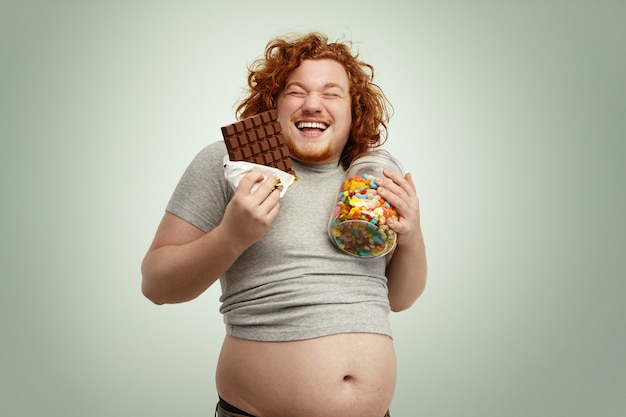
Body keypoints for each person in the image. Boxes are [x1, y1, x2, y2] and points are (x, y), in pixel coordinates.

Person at [141, 32, 427, 417]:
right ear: (272, 105)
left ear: (354, 110)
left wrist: (411, 236)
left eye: (331, 93)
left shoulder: (367, 181)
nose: (313, 104)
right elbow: (156, 285)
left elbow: (399, 299)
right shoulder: (233, 164)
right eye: (295, 91)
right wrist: (231, 237)